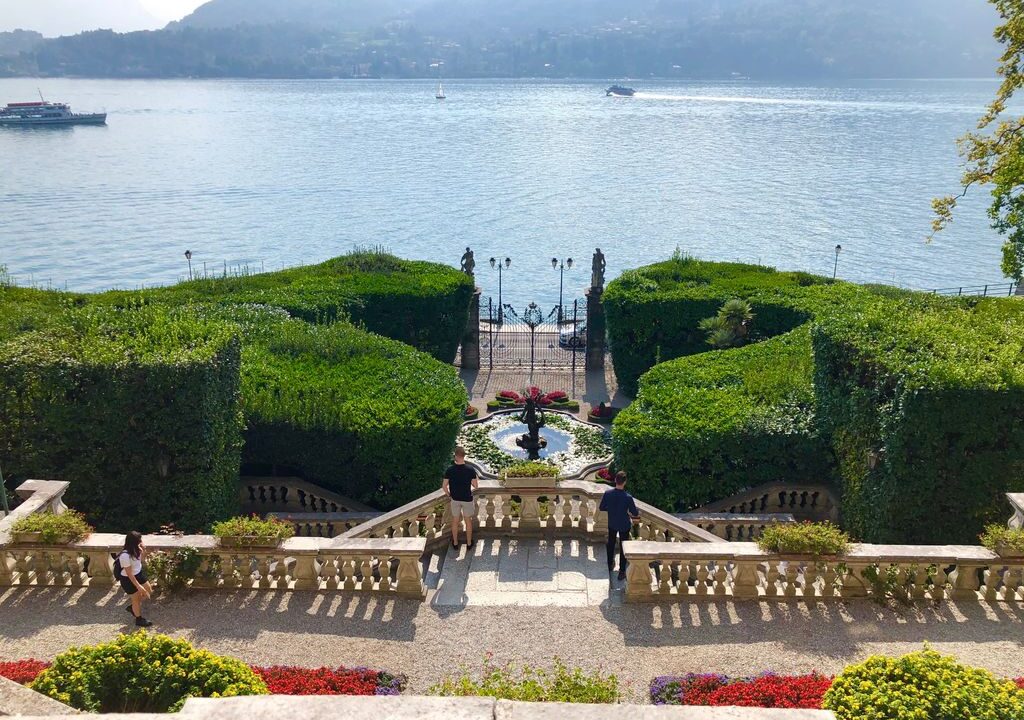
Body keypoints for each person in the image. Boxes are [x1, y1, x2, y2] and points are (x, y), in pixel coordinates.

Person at [599, 471, 639, 581]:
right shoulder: (628, 497)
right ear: (624, 482)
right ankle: (622, 572)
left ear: (615, 480)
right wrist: (629, 513)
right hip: (624, 525)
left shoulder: (608, 493)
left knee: (610, 544)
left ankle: (609, 564)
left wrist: (611, 510)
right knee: (623, 547)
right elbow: (635, 513)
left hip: (612, 523)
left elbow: (601, 507)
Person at [443, 446, 479, 548]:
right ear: (463, 456)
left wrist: (449, 494)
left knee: (455, 521)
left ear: (455, 456)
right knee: (468, 521)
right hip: (467, 499)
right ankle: (468, 543)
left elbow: (444, 486)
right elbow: (476, 486)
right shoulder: (470, 469)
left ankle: (455, 543)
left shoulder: (450, 470)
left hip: (455, 499)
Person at [116, 531, 154, 627]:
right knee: (136, 598)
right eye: (139, 540)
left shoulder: (137, 549)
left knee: (148, 591)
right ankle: (139, 619)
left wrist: (143, 551)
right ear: (133, 542)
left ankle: (133, 607)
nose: (141, 541)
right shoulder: (124, 555)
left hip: (138, 574)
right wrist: (139, 586)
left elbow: (140, 561)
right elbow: (129, 574)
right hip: (128, 579)